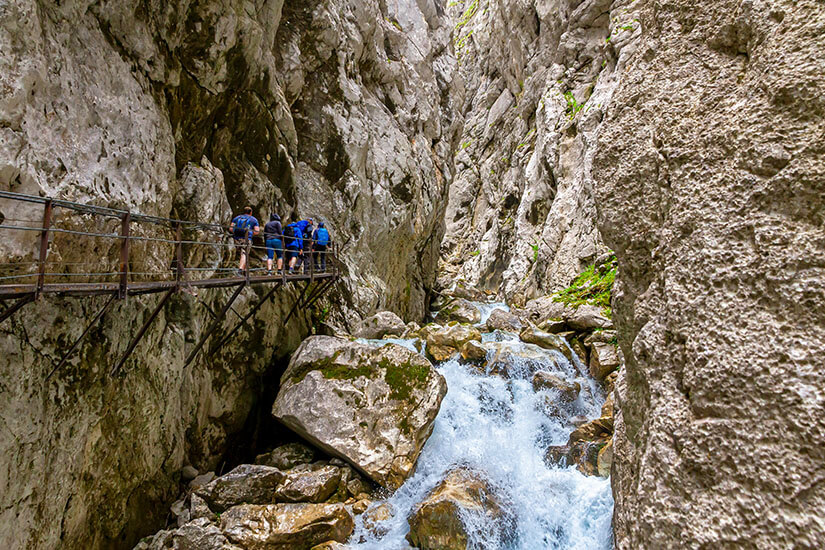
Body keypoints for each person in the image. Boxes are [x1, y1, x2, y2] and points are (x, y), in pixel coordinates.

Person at [229, 206, 259, 275]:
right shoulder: (254, 220)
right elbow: (257, 231)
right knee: (244, 254)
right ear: (251, 212)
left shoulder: (237, 218)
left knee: (240, 253)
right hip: (246, 239)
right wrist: (250, 234)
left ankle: (244, 271)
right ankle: (240, 270)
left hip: (236, 238)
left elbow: (231, 228)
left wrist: (236, 233)